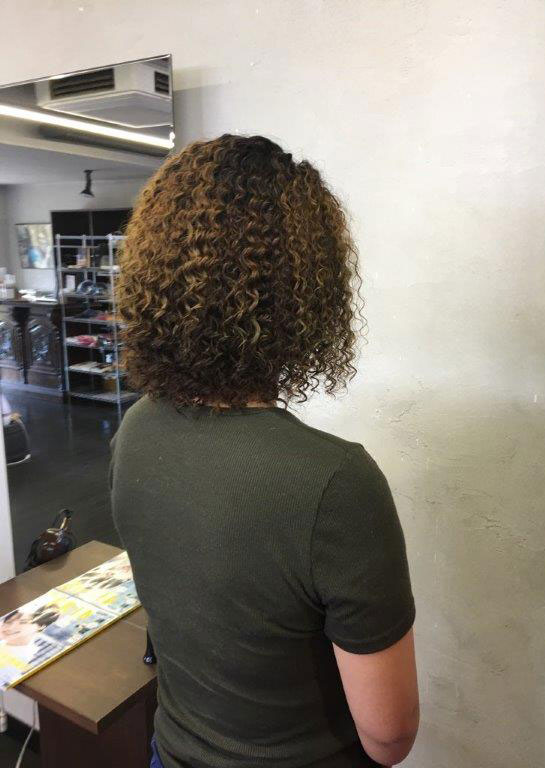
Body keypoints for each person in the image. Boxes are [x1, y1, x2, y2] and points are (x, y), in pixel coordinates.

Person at [110, 134, 419, 768]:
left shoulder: (135, 429)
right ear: (305, 294)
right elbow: (389, 739)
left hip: (171, 752)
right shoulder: (335, 483)